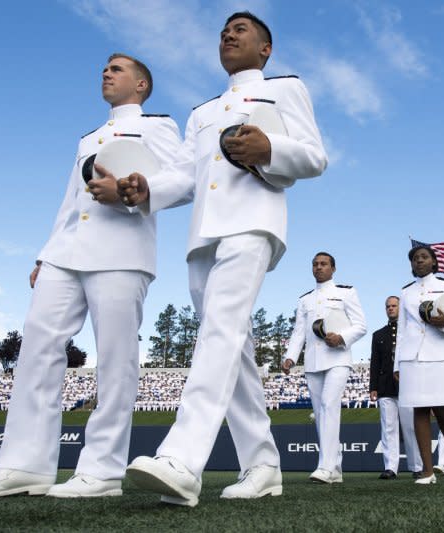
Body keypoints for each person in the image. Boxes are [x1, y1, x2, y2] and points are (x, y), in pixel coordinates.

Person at [0, 54, 188, 498]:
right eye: (105, 68)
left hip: (121, 251)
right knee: (37, 349)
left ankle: (101, 472)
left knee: (115, 361)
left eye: (117, 69)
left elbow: (185, 179)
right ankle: (25, 465)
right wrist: (45, 254)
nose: (107, 72)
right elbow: (69, 201)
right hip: (65, 252)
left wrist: (137, 191)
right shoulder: (88, 138)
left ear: (141, 85)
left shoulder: (157, 126)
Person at [122, 12, 327, 506]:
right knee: (231, 346)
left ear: (265, 49)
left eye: (241, 30)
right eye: (223, 31)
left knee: (219, 331)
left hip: (253, 222)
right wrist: (145, 188)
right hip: (203, 236)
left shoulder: (285, 89)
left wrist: (269, 146)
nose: (228, 35)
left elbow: (314, 156)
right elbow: (185, 176)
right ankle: (262, 464)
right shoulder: (203, 112)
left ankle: (182, 459)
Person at [282, 252, 366, 483]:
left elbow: (361, 325)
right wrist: (290, 357)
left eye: (324, 264)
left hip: (338, 357)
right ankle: (336, 466)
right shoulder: (305, 300)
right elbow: (299, 332)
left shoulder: (346, 293)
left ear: (333, 268)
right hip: (313, 362)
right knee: (320, 414)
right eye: (315, 264)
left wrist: (342, 337)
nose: (319, 268)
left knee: (329, 406)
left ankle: (326, 467)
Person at [394, 244, 444, 485]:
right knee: (419, 408)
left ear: (434, 262)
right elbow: (402, 330)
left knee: (442, 408)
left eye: (424, 257)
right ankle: (427, 470)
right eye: (415, 258)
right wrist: (398, 363)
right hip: (412, 356)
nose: (419, 261)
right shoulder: (406, 292)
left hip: (441, 353)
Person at [368, 296, 422, 480]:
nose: (390, 309)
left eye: (394, 306)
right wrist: (373, 387)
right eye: (388, 307)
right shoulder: (378, 335)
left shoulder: (410, 331)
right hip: (385, 387)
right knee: (388, 428)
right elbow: (375, 363)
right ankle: (391, 467)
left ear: (401, 308)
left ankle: (417, 466)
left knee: (411, 427)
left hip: (407, 385)